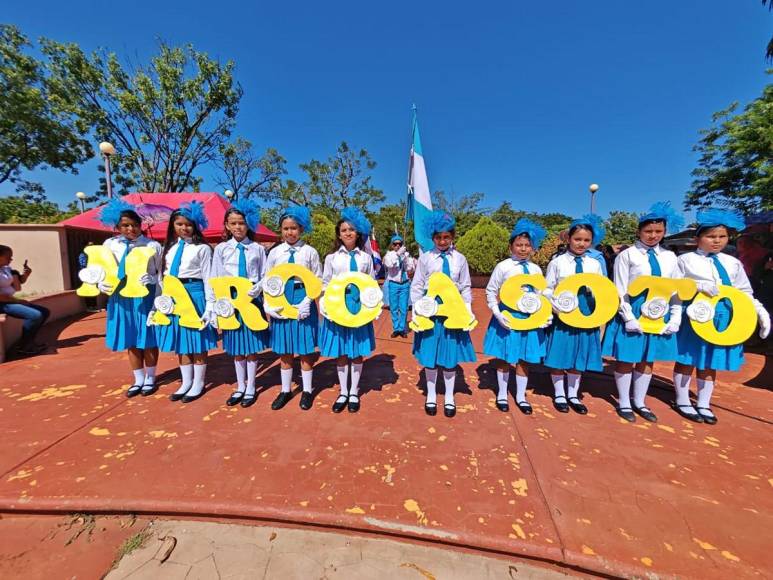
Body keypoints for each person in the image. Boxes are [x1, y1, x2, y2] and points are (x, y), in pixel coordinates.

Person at [672, 209, 771, 424]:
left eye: (722, 237)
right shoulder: (685, 260)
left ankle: (704, 403)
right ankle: (682, 400)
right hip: (695, 315)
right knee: (687, 359)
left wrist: (759, 310)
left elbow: (744, 290)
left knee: (710, 362)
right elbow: (675, 287)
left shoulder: (732, 262)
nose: (716, 241)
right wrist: (697, 286)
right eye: (711, 236)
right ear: (698, 238)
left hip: (723, 317)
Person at [601, 202, 684, 422]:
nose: (653, 235)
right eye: (648, 231)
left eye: (658, 231)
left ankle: (640, 401)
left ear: (665, 232)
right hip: (633, 310)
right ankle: (624, 402)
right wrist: (628, 316)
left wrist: (675, 316)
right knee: (627, 358)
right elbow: (619, 289)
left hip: (658, 311)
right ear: (639, 231)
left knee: (647, 360)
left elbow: (676, 289)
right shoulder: (627, 256)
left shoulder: (669, 257)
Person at [411, 210, 477, 418]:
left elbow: (465, 286)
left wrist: (467, 309)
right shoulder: (426, 259)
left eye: (446, 237)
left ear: (452, 237)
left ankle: (449, 395)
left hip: (454, 314)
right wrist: (416, 309)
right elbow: (417, 285)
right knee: (430, 355)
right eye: (438, 237)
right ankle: (431, 394)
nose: (442, 240)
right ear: (433, 237)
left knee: (449, 357)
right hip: (431, 313)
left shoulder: (460, 259)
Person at [95, 198, 163, 397]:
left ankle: (150, 378)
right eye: (125, 225)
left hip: (144, 295)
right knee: (130, 337)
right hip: (120, 296)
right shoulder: (109, 244)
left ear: (140, 225)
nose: (130, 229)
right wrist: (100, 282)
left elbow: (160, 273)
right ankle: (138, 379)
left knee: (148, 338)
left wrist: (151, 279)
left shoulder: (152, 245)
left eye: (134, 225)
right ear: (117, 226)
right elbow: (101, 268)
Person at [483, 218, 550, 414]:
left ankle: (521, 396)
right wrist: (497, 313)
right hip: (508, 318)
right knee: (505, 357)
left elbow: (541, 293)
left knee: (525, 358)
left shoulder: (536, 269)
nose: (523, 249)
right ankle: (502, 394)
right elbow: (490, 290)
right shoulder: (503, 266)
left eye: (527, 245)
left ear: (533, 247)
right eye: (519, 245)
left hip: (530, 320)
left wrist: (544, 314)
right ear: (511, 246)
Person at [153, 202, 219, 403]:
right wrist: (162, 300)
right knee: (181, 342)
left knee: (197, 341)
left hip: (195, 294)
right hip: (174, 297)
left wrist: (210, 306)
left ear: (196, 225)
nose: (184, 228)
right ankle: (186, 382)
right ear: (173, 225)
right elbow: (162, 276)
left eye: (188, 224)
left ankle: (198, 382)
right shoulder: (170, 248)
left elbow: (209, 277)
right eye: (179, 224)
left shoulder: (202, 249)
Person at [543, 214, 606, 415]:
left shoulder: (595, 264)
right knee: (560, 352)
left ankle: (573, 394)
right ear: (569, 239)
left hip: (586, 312)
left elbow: (601, 288)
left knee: (580, 353)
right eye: (577, 239)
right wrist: (556, 306)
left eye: (586, 240)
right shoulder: (558, 262)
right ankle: (559, 394)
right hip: (564, 314)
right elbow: (547, 288)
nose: (581, 243)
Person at [211, 199, 269, 408]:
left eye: (242, 223)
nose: (238, 227)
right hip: (230, 300)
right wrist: (216, 303)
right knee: (236, 346)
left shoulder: (257, 249)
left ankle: (252, 386)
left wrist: (259, 286)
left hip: (251, 299)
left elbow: (265, 274)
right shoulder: (221, 249)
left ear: (248, 225)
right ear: (227, 225)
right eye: (233, 223)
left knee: (251, 344)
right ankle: (240, 386)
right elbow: (215, 275)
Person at [264, 206, 322, 411]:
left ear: (301, 229)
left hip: (302, 298)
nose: (290, 232)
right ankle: (286, 390)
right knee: (285, 349)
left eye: (294, 228)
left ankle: (306, 390)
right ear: (281, 230)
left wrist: (308, 300)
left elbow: (318, 279)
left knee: (306, 349)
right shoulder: (275, 253)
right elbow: (267, 279)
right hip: (281, 299)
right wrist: (268, 304)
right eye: (286, 228)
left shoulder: (309, 252)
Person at [319, 207, 376, 413]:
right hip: (338, 308)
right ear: (338, 233)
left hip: (358, 307)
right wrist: (324, 305)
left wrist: (373, 305)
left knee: (357, 351)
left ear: (358, 233)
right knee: (342, 350)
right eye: (344, 230)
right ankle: (343, 391)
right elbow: (325, 283)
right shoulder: (332, 258)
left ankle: (354, 391)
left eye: (352, 229)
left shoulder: (365, 258)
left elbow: (371, 283)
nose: (348, 233)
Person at [0, 245, 50, 356]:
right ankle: (25, 346)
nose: (11, 259)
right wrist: (18, 301)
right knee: (35, 315)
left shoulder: (6, 269)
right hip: (3, 303)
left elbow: (18, 282)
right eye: (8, 257)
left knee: (45, 312)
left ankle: (29, 342)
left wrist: (26, 274)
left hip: (9, 301)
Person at [383, 233, 414, 338]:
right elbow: (389, 265)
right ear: (392, 245)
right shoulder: (389, 254)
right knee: (394, 308)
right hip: (394, 284)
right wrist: (397, 255)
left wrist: (407, 260)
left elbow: (410, 269)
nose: (397, 246)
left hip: (405, 284)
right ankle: (396, 328)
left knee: (404, 308)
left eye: (400, 244)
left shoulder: (406, 255)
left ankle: (402, 328)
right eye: (395, 244)